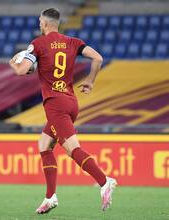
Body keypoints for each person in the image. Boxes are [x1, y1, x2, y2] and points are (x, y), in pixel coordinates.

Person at [9, 8, 117, 214]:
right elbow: (98, 58)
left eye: (40, 21)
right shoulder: (73, 42)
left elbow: (22, 70)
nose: (39, 24)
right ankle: (50, 197)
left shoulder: (38, 44)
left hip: (55, 105)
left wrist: (13, 64)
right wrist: (90, 82)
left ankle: (104, 181)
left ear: (46, 23)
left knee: (72, 149)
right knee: (44, 145)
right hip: (70, 101)